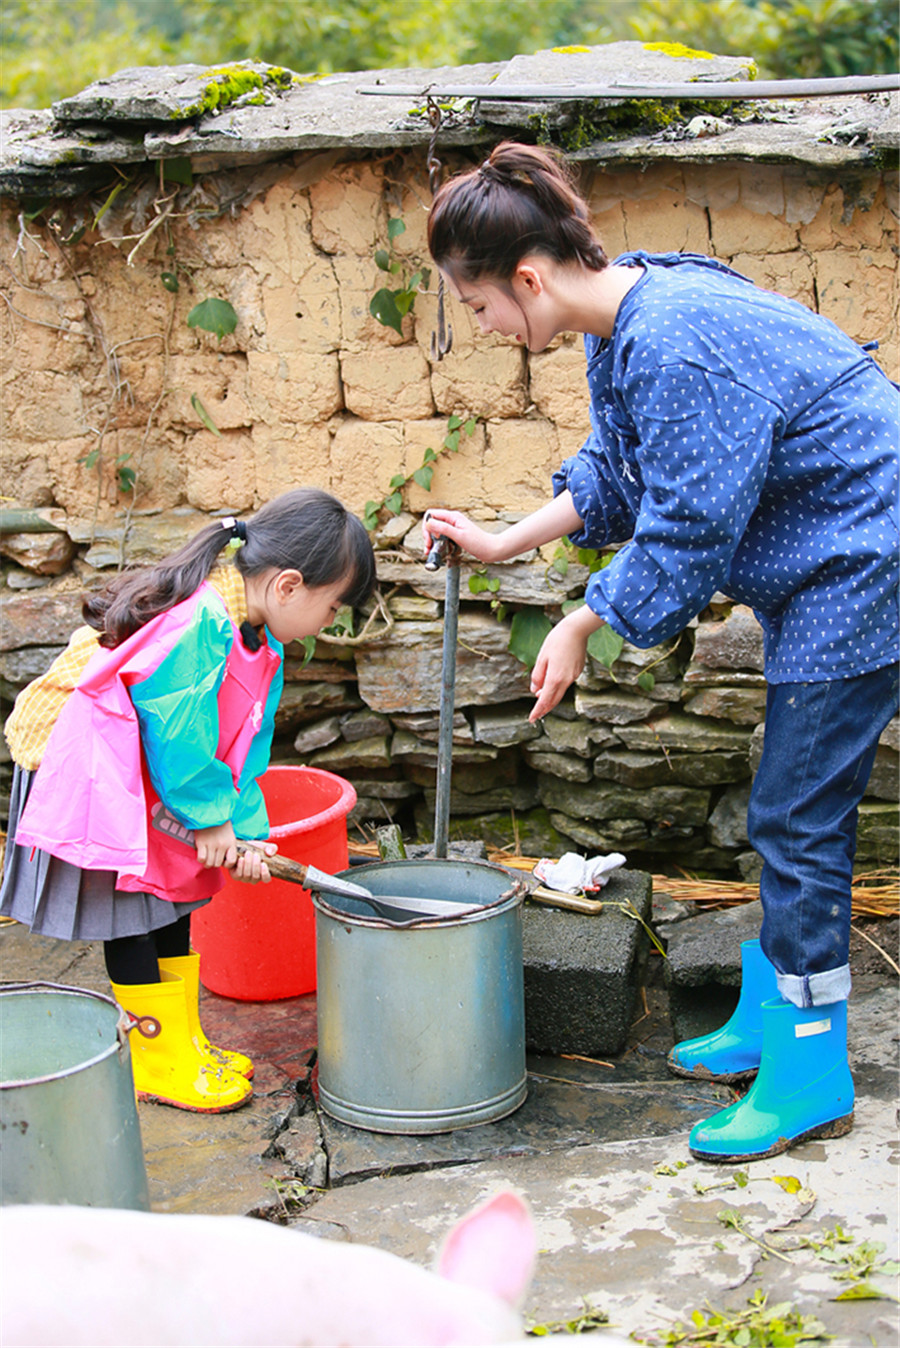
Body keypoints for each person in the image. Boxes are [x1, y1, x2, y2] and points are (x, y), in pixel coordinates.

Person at [422, 140, 899, 1163]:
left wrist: (585, 618)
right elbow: (622, 468)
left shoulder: (671, 340)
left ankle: (811, 1066)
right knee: (791, 807)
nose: (488, 329)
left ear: (527, 277)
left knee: (797, 817)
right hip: (831, 553)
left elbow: (691, 527)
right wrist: (508, 538)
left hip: (864, 557)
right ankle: (772, 1023)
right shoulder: (633, 312)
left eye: (478, 308)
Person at [2, 488, 375, 1113]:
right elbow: (177, 731)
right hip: (87, 767)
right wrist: (208, 821)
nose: (330, 624)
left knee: (174, 899)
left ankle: (186, 1043)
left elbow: (241, 752)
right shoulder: (198, 622)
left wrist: (246, 834)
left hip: (148, 772)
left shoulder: (257, 640)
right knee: (133, 912)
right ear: (287, 586)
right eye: (333, 608)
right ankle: (155, 1060)